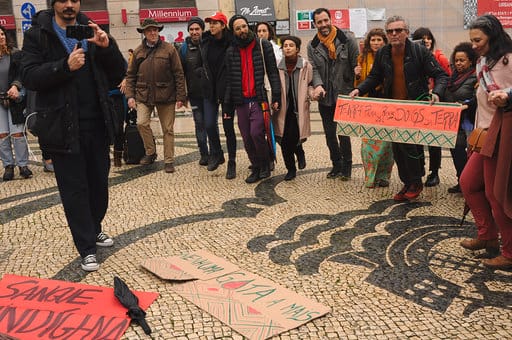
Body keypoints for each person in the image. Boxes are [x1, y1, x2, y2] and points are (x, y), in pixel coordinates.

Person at [21, 0, 126, 271]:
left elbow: (118, 73)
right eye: (63, 0)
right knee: (74, 189)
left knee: (98, 185)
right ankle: (86, 246)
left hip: (97, 123)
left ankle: (95, 227)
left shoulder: (90, 28)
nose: (70, 5)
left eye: (74, 0)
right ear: (53, 3)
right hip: (61, 125)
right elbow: (29, 76)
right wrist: (64, 67)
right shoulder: (38, 34)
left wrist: (107, 47)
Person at [349, 15, 448, 201]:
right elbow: (374, 77)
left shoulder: (419, 52)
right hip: (393, 109)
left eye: (398, 30)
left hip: (414, 106)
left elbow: (441, 75)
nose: (394, 34)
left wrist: (437, 93)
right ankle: (407, 182)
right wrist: (358, 89)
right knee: (397, 148)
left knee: (411, 147)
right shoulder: (383, 53)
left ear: (407, 33)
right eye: (390, 31)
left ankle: (416, 181)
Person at [459, 14, 512, 269]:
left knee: (497, 194)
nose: (473, 45)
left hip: (503, 136)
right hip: (484, 135)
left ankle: (509, 251)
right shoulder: (483, 63)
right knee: (468, 182)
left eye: (478, 40)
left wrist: (508, 96)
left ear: (493, 36)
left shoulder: (508, 60)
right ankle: (487, 236)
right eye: (471, 40)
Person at [224, 14, 281, 183]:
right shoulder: (230, 51)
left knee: (256, 133)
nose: (242, 30)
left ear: (248, 26)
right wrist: (227, 105)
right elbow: (229, 79)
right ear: (233, 32)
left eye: (244, 26)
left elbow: (273, 73)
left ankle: (265, 164)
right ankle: (255, 166)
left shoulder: (263, 46)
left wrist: (276, 96)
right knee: (246, 137)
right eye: (238, 28)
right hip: (241, 100)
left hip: (259, 98)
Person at [125, 18, 186, 173]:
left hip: (166, 94)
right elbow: (130, 75)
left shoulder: (169, 49)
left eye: (155, 30)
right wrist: (130, 96)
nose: (153, 32)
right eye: (149, 30)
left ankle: (169, 161)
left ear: (158, 31)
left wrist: (181, 96)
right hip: (143, 94)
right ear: (144, 33)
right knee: (141, 123)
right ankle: (150, 151)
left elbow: (178, 74)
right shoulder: (138, 51)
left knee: (168, 129)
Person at [307, 8, 358, 180]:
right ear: (315, 24)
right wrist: (318, 85)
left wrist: (355, 83)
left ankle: (347, 167)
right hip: (325, 97)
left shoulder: (347, 39)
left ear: (330, 20)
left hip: (343, 95)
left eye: (325, 20)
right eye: (319, 22)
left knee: (343, 134)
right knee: (329, 135)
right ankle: (336, 164)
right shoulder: (312, 45)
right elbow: (313, 69)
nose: (323, 25)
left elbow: (355, 64)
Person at [412, 27, 452, 188]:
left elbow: (447, 78)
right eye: (422, 38)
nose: (426, 41)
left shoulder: (439, 58)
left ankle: (434, 172)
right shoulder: (413, 59)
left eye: (429, 38)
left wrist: (436, 91)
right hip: (418, 104)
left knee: (433, 140)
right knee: (416, 139)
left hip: (435, 103)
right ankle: (420, 167)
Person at [354, 28, 394, 188]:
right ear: (369, 42)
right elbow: (359, 84)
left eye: (379, 40)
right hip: (369, 103)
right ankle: (370, 176)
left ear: (384, 41)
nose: (376, 43)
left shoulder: (390, 56)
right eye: (373, 40)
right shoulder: (362, 58)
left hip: (387, 102)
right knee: (368, 143)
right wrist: (357, 75)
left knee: (386, 144)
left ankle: (384, 176)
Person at [200, 12, 237, 179]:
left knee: (228, 128)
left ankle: (232, 162)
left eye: (215, 23)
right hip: (209, 89)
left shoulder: (232, 43)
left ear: (223, 25)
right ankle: (217, 153)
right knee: (208, 124)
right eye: (210, 23)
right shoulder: (205, 42)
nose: (212, 26)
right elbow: (202, 63)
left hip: (227, 90)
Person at [273, 36, 312, 181]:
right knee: (283, 140)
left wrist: (313, 93)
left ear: (297, 48)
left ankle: (299, 151)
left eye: (291, 45)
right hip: (282, 109)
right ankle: (291, 169)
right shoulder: (278, 66)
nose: (288, 47)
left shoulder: (306, 65)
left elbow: (310, 84)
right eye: (285, 45)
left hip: (298, 110)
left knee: (294, 138)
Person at [444, 42, 478, 193]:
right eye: (456, 60)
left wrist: (467, 104)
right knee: (457, 152)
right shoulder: (452, 78)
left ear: (470, 61)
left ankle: (472, 184)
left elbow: (478, 98)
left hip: (469, 122)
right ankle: (461, 181)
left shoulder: (476, 77)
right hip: (454, 122)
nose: (458, 63)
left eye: (462, 60)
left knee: (471, 155)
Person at [0, 25, 32, 181]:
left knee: (18, 134)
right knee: (2, 135)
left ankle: (23, 165)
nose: (1, 37)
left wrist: (15, 86)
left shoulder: (15, 54)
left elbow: (21, 73)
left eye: (2, 34)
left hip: (14, 99)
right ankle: (8, 166)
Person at [180, 17, 208, 166]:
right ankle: (204, 153)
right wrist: (182, 94)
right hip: (194, 94)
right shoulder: (184, 48)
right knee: (199, 123)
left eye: (197, 29)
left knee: (210, 124)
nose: (194, 32)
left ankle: (215, 152)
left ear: (202, 29)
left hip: (210, 94)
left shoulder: (209, 44)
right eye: (191, 29)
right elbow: (180, 73)